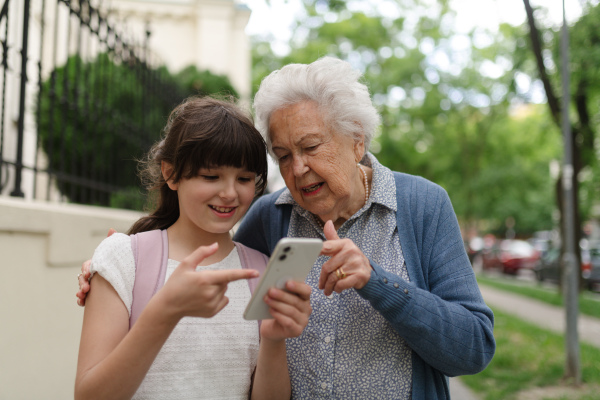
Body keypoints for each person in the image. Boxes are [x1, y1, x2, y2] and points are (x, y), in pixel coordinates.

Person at [78, 57, 495, 399]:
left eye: (311, 147)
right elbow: (207, 264)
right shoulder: (269, 217)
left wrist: (379, 283)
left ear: (357, 140)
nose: (298, 169)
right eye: (282, 155)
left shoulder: (422, 205)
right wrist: (113, 269)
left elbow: (474, 349)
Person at [74, 96, 312, 400]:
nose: (229, 193)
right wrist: (165, 311)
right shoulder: (122, 258)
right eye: (211, 176)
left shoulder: (262, 269)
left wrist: (274, 340)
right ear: (171, 174)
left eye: (244, 178)